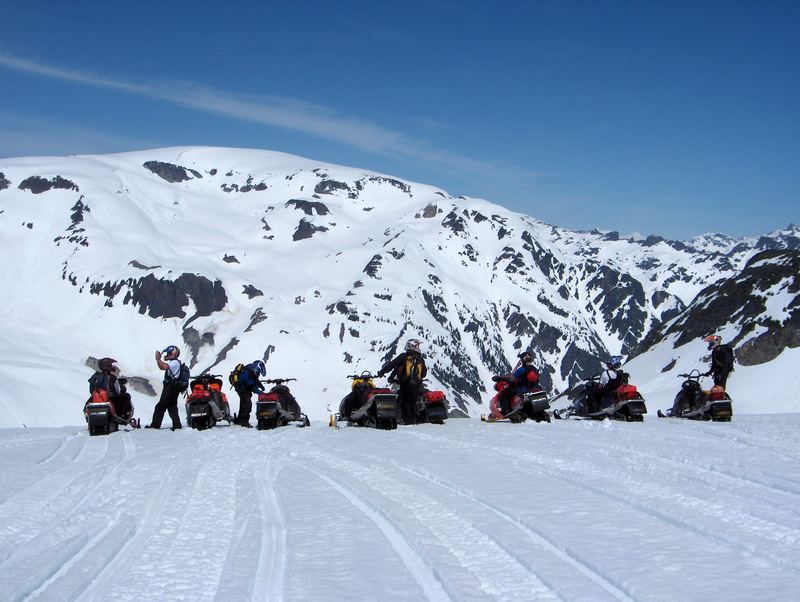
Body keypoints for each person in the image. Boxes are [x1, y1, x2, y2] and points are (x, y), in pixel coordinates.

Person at [378, 338, 427, 425]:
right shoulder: (421, 359)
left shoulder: (403, 357)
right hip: (417, 387)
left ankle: (408, 422)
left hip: (405, 386)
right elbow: (423, 374)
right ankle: (416, 420)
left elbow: (391, 365)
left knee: (406, 404)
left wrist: (381, 372)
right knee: (414, 403)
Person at [145, 345, 184, 431]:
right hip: (174, 387)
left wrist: (158, 359)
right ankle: (177, 425)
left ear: (172, 354)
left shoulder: (174, 363)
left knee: (160, 406)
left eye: (168, 353)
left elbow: (163, 367)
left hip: (171, 387)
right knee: (172, 406)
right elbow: (163, 367)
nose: (166, 355)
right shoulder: (175, 362)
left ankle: (155, 425)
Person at [492, 351, 540, 416]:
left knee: (504, 393)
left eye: (521, 359)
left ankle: (505, 412)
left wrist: (500, 378)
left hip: (521, 389)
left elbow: (512, 378)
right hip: (532, 389)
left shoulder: (522, 369)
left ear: (523, 360)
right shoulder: (535, 369)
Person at [233, 360, 265, 427]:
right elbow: (251, 384)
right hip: (242, 390)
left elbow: (254, 381)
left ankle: (239, 420)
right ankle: (244, 422)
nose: (258, 374)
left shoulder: (250, 371)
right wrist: (260, 392)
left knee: (243, 404)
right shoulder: (247, 372)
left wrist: (260, 386)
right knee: (248, 405)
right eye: (258, 372)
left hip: (243, 389)